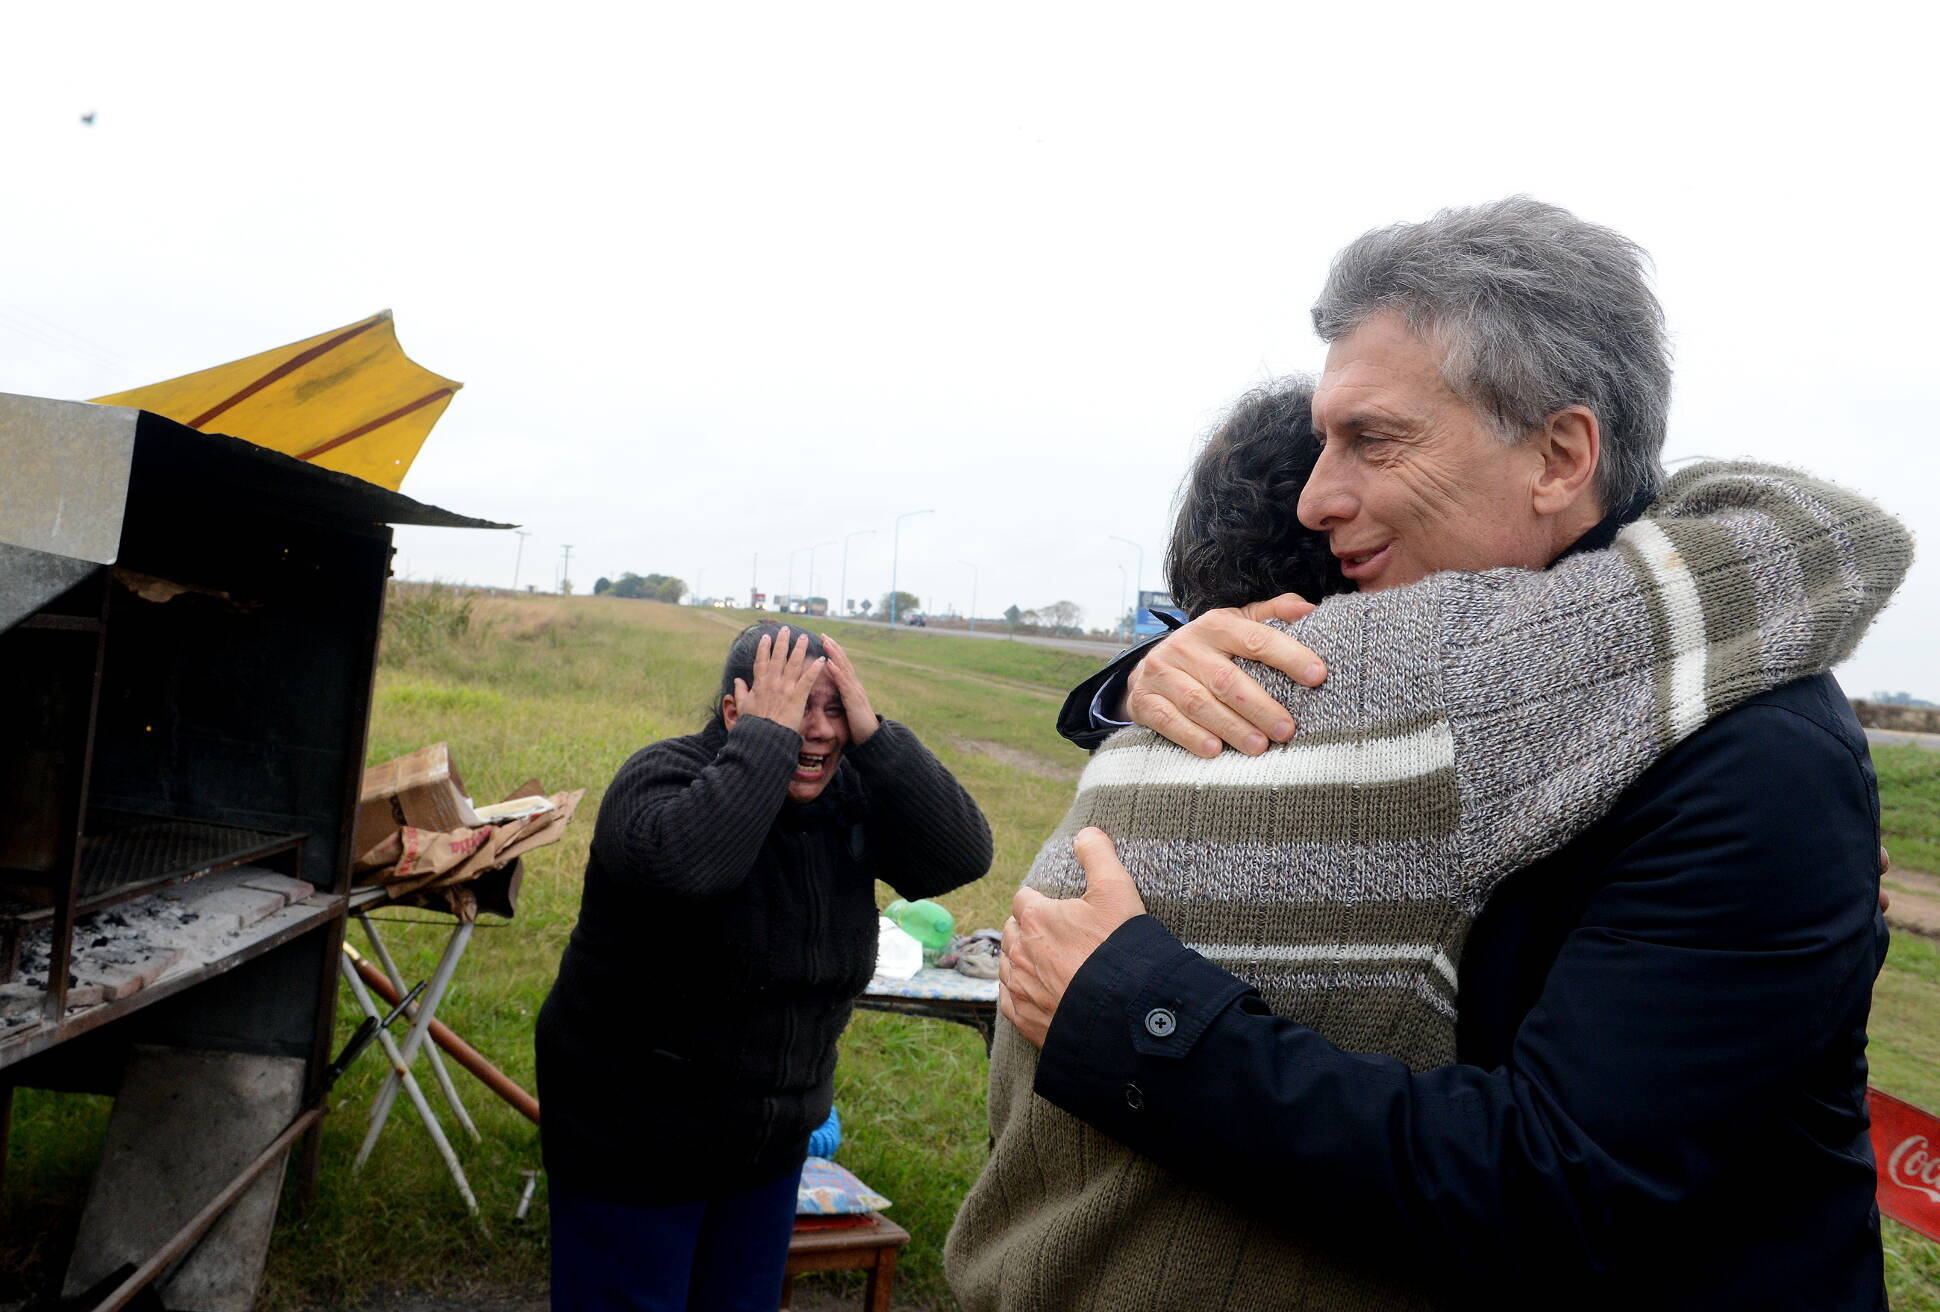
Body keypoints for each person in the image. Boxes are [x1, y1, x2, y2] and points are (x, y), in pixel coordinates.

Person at [993, 199, 1907, 1307]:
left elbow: (1564, 1189)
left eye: (1371, 440)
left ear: (1560, 455)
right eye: (1326, 440)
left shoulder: (1752, 756)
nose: (1314, 496)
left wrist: (1141, 1016)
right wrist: (1139, 681)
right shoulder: (1440, 662)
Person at [535, 623, 992, 1310]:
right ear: (733, 716)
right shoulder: (659, 781)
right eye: (794, 707)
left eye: (833, 709)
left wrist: (878, 739)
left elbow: (960, 856)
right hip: (633, 1142)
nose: (817, 731)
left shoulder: (846, 804)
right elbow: (692, 868)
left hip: (765, 1149)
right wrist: (764, 742)